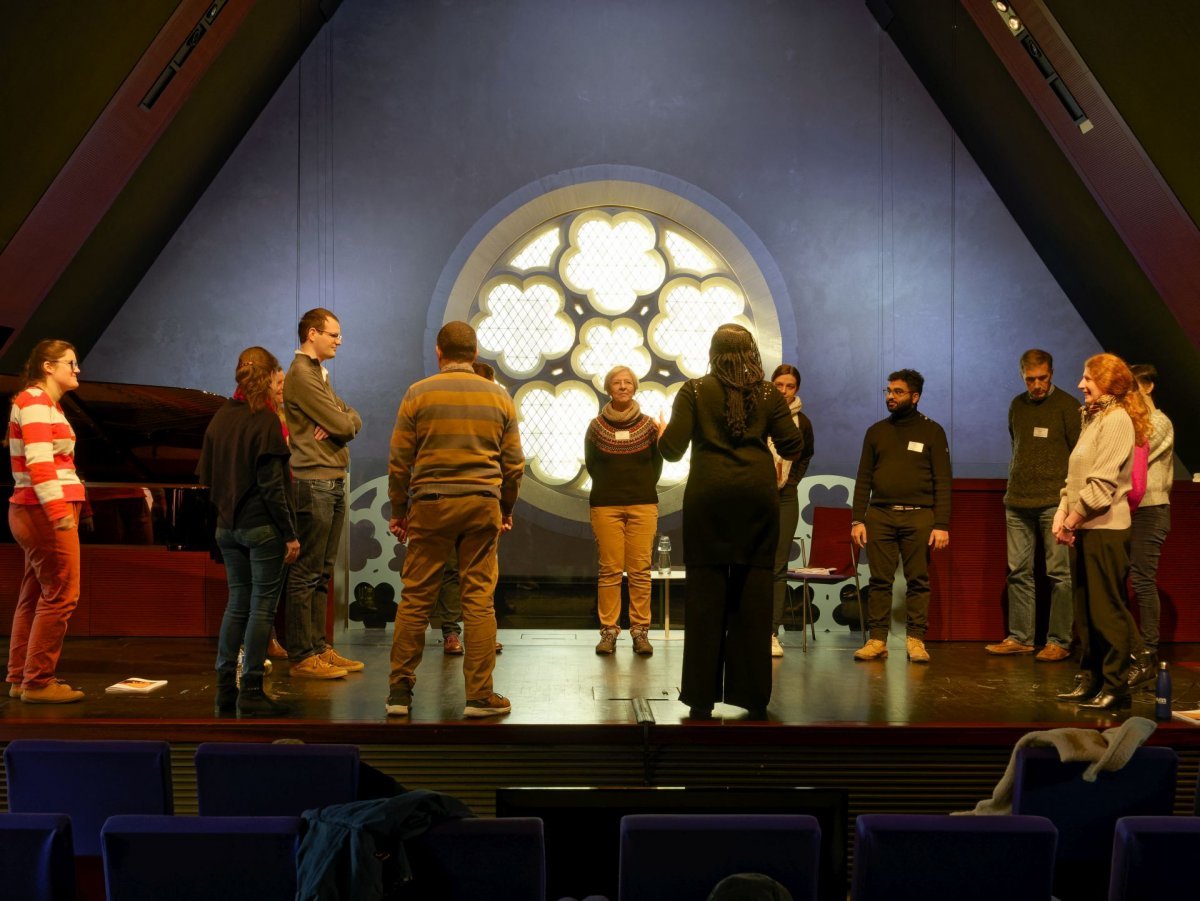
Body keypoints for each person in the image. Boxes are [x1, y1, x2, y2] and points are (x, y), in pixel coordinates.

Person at [658, 324, 804, 719]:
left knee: (706, 600)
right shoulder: (771, 394)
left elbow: (671, 451)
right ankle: (752, 696)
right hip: (756, 500)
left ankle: (701, 697)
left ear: (714, 352)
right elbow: (794, 444)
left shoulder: (693, 391)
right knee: (753, 598)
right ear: (752, 352)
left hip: (709, 499)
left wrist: (659, 433)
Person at [386, 321, 524, 718]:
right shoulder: (499, 397)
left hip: (431, 504)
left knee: (415, 599)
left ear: (438, 352)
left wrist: (399, 511)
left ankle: (399, 693)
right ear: (475, 353)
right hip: (482, 503)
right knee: (479, 600)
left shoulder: (418, 394)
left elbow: (399, 463)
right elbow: (514, 466)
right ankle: (480, 696)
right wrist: (506, 509)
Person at [198, 347, 300, 716]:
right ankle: (252, 689)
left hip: (227, 528)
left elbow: (208, 478)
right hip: (262, 527)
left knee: (236, 604)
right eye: (277, 380)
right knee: (261, 609)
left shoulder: (221, 418)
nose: (279, 388)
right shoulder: (266, 421)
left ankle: (226, 687)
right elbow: (273, 486)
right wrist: (289, 533)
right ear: (270, 376)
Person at [1053, 353, 1149, 710]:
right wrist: (1063, 510)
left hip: (1106, 528)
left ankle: (1116, 686)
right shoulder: (1093, 419)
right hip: (1084, 526)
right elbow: (1075, 475)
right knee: (1085, 611)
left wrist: (1071, 520)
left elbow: (1103, 483)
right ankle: (1091, 679)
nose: (1081, 385)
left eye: (1087, 379)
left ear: (1107, 383)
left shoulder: (1118, 421)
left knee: (1107, 610)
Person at [283, 308, 363, 679]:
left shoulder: (318, 374)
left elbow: (351, 418)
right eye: (333, 334)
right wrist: (338, 421)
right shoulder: (301, 374)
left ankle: (319, 648)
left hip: (329, 478)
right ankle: (302, 655)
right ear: (312, 333)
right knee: (307, 571)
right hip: (313, 480)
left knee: (323, 571)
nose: (339, 340)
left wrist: (340, 420)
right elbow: (340, 422)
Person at [985, 349, 1080, 661]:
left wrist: (1070, 502)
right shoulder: (1017, 405)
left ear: (1051, 373)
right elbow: (1017, 444)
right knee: (1018, 571)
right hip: (1018, 500)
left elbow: (1079, 455)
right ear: (1021, 375)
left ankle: (1059, 641)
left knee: (1059, 574)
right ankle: (1021, 637)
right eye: (1030, 379)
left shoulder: (1068, 405)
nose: (1037, 385)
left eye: (1042, 378)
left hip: (1055, 502)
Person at [851, 369, 951, 664]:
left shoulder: (932, 431)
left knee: (918, 580)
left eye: (897, 392)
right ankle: (877, 639)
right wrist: (858, 519)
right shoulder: (876, 431)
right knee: (879, 580)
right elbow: (863, 478)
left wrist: (942, 524)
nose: (890, 397)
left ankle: (916, 640)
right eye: (888, 391)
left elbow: (943, 481)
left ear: (915, 397)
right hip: (880, 515)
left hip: (919, 516)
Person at [6, 339, 87, 704]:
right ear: (48, 366)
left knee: (35, 594)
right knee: (61, 596)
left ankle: (21, 677)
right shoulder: (36, 402)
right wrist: (58, 514)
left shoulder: (41, 403)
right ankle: (38, 682)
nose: (77, 369)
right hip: (43, 511)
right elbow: (40, 464)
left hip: (35, 510)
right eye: (71, 363)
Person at [584, 365, 664, 656]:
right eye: (616, 383)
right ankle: (608, 632)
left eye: (627, 382)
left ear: (635, 387)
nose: (622, 386)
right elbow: (591, 464)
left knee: (641, 571)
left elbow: (657, 465)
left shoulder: (649, 426)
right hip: (606, 504)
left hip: (642, 503)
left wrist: (638, 488)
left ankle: (640, 632)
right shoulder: (596, 427)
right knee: (609, 571)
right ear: (608, 389)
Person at [430, 360, 504, 656]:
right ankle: (451, 632)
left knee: (482, 573)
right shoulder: (446, 411)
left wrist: (505, 506)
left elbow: (509, 460)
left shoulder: (497, 411)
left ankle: (481, 634)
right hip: (447, 500)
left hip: (483, 500)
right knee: (449, 570)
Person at [1123, 363, 1174, 689]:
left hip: (1152, 509)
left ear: (1148, 387)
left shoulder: (1159, 422)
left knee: (1142, 578)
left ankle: (1148, 652)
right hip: (1130, 509)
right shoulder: (1134, 422)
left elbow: (1131, 456)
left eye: (1133, 388)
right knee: (1124, 578)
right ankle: (1130, 649)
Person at [767, 364, 814, 657]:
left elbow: (806, 455)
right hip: (756, 496)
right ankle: (746, 628)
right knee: (751, 563)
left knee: (778, 566)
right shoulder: (758, 414)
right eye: (779, 385)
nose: (784, 392)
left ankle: (772, 632)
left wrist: (790, 481)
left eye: (790, 386)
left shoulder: (803, 422)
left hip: (785, 496)